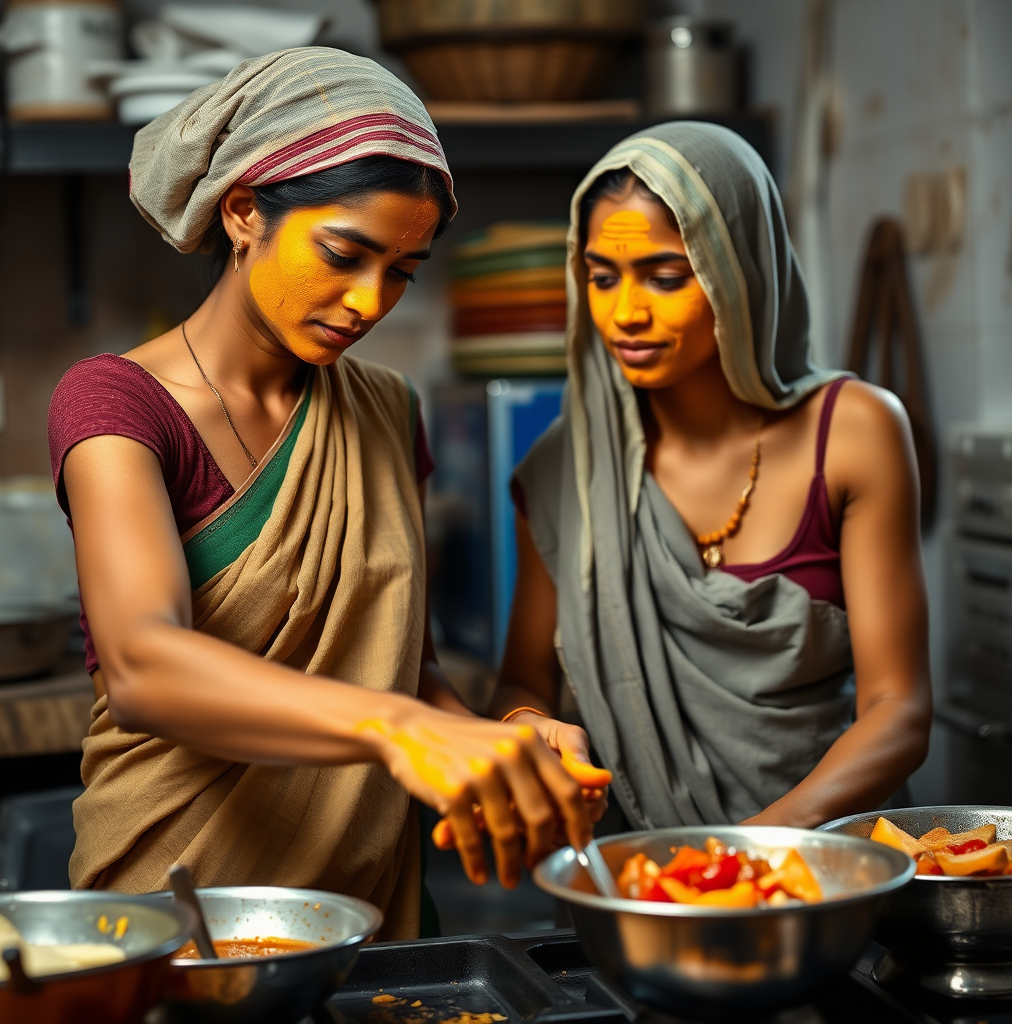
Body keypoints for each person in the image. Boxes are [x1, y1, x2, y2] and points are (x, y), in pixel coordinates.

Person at [47, 47, 592, 940]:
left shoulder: (385, 408)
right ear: (243, 211)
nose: (370, 299)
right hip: (173, 907)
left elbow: (401, 666)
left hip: (363, 906)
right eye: (345, 253)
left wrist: (506, 735)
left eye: (404, 272)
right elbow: (144, 664)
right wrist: (400, 729)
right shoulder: (118, 404)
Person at [488, 122, 932, 832]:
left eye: (665, 277)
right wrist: (528, 727)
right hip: (639, 886)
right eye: (602, 278)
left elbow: (899, 710)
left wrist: (747, 857)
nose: (626, 313)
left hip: (829, 873)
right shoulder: (565, 468)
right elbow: (521, 682)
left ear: (739, 270)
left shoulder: (853, 432)